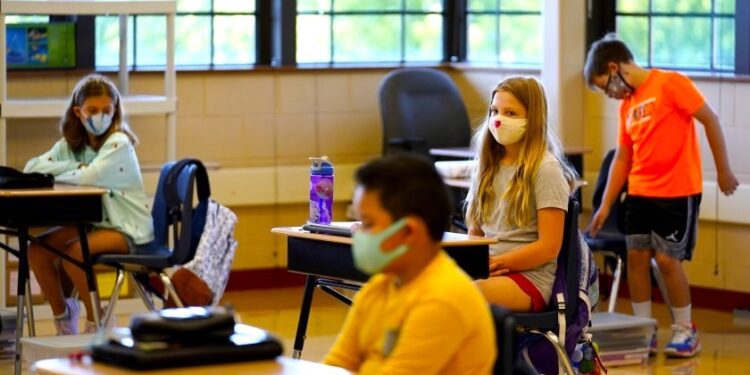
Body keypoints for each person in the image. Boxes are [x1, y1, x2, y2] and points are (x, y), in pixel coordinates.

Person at [583, 33, 739, 358]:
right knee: (637, 259)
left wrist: (724, 170)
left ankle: (685, 329)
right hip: (640, 192)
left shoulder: (670, 83)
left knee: (667, 260)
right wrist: (605, 205)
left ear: (615, 68)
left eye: (606, 85)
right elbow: (623, 157)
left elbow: (710, 119)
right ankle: (644, 330)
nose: (610, 95)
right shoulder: (628, 106)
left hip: (677, 192)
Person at [323, 154, 496, 374]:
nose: (358, 233)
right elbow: (337, 365)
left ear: (408, 232)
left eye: (367, 223)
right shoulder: (379, 288)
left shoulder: (444, 298)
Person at [24, 74, 154, 335]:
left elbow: (90, 177)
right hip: (95, 224)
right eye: (92, 110)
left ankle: (99, 320)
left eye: (107, 110)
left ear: (115, 110)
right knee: (35, 252)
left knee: (74, 252)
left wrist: (73, 171)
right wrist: (75, 165)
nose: (100, 116)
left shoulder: (119, 142)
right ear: (78, 112)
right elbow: (31, 168)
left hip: (128, 228)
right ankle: (64, 315)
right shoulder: (71, 147)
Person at [466, 76, 577, 313]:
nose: (498, 120)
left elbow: (548, 247)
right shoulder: (487, 165)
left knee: (463, 297)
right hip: (490, 270)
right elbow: (475, 234)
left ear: (532, 118)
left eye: (510, 113)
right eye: (494, 111)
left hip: (529, 278)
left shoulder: (545, 169)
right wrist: (475, 264)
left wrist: (496, 263)